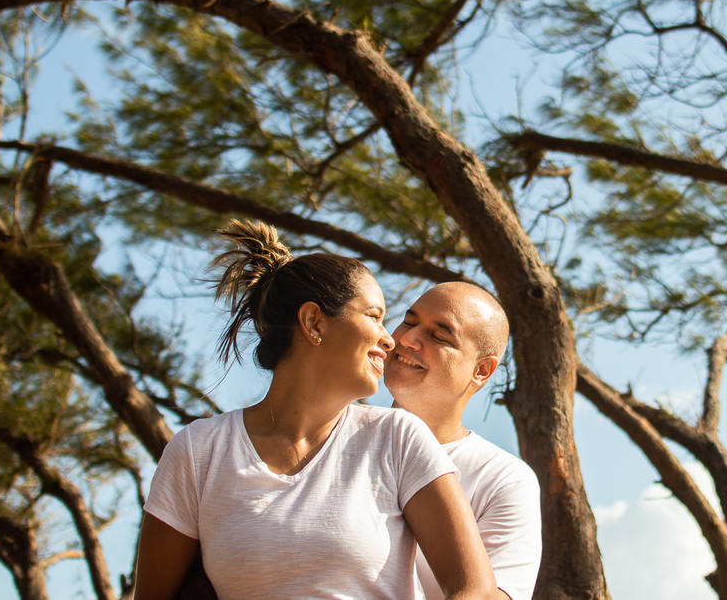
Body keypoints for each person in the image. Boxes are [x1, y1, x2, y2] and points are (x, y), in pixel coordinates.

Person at [134, 221, 500, 600]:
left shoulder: (398, 437)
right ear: (313, 322)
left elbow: (477, 591)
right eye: (374, 316)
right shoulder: (198, 451)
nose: (390, 338)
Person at [384, 282, 542, 600]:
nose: (405, 339)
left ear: (481, 371)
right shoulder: (332, 436)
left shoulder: (503, 479)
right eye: (409, 321)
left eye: (438, 335)